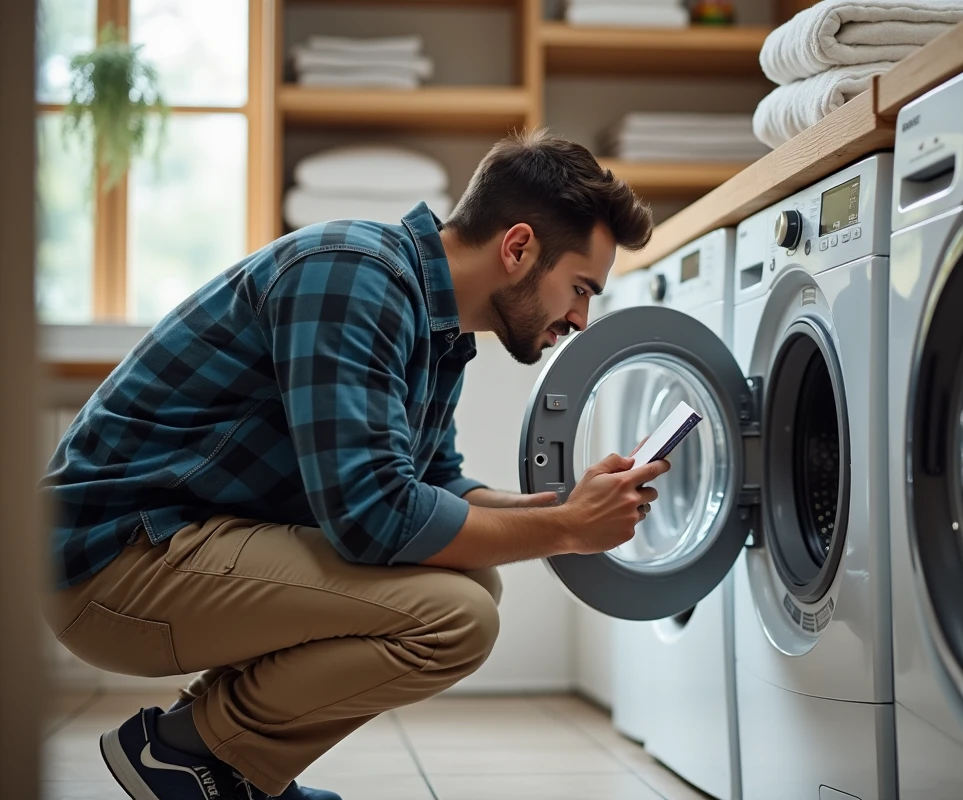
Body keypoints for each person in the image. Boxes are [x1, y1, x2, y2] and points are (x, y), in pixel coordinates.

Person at [39, 129, 668, 800]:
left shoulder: (435, 325)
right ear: (517, 248)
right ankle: (182, 752)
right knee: (455, 616)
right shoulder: (352, 275)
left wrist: (560, 509)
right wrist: (569, 530)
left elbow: (432, 483)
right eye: (579, 287)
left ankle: (230, 768)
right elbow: (373, 518)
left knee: (474, 584)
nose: (580, 316)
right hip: (114, 565)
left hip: (178, 546)